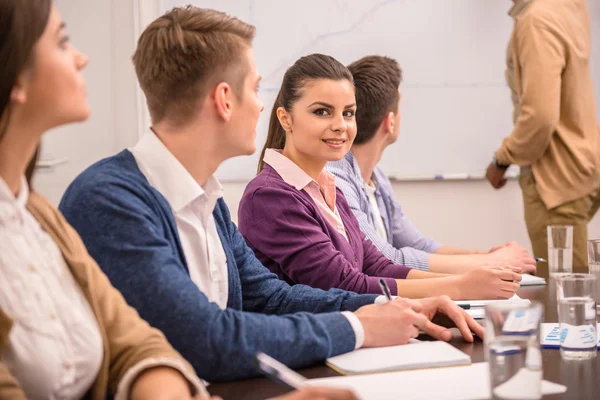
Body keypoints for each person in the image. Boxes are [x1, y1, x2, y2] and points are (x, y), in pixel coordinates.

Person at [58, 6, 484, 383]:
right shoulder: (111, 200)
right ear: (225, 100)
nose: (261, 107)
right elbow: (207, 337)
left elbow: (272, 296)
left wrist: (385, 307)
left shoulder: (209, 201)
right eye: (255, 88)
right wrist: (358, 327)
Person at [0, 1, 211, 399]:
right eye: (63, 42)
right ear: (15, 76)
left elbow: (135, 343)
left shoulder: (38, 215)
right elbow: (201, 334)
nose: (82, 58)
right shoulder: (105, 194)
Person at [237, 53, 522, 299]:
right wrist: (459, 287)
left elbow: (376, 265)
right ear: (285, 118)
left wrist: (465, 282)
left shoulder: (327, 185)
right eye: (322, 112)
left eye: (348, 113)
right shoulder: (272, 196)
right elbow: (343, 283)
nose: (340, 126)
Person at [327, 55, 536, 275]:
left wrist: (487, 256)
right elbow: (387, 259)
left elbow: (418, 245)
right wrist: (493, 263)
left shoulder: (376, 177)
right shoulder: (336, 180)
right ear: (390, 122)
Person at [486, 0, 600, 275]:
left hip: (556, 178)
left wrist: (502, 160)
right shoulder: (568, 5)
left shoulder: (537, 19)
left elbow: (541, 117)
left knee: (569, 294)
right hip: (582, 166)